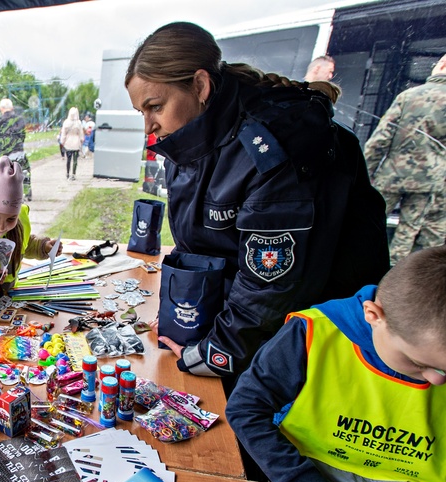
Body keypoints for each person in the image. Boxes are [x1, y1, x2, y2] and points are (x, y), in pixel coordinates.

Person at [126, 22, 389, 382]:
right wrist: (187, 309)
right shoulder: (197, 133)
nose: (148, 127)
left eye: (154, 107)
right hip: (246, 328)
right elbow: (207, 249)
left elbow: (270, 285)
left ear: (200, 85)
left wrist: (213, 352)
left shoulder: (272, 146)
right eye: (141, 112)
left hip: (306, 346)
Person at [227, 246, 446, 482]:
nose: (436, 380)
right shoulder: (312, 333)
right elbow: (246, 408)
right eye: (418, 362)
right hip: (303, 478)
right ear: (374, 316)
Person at [364, 53, 446, 266]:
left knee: (368, 223)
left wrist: (364, 173)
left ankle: (359, 266)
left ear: (442, 65)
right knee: (407, 232)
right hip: (429, 181)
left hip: (393, 175)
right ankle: (389, 278)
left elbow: (381, 139)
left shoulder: (408, 96)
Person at [0, 156, 59, 297]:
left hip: (8, 294)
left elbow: (23, 246)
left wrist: (43, 247)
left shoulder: (20, 221)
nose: (1, 226)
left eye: (11, 218)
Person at [0, 98, 32, 200]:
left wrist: (0, 149)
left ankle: (7, 194)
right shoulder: (19, 119)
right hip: (18, 152)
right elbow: (22, 135)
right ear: (12, 107)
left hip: (4, 154)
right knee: (25, 170)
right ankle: (27, 193)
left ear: (1, 108)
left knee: (4, 174)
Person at [60, 107, 85, 180]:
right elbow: (81, 133)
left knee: (68, 159)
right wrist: (81, 140)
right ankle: (73, 174)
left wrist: (62, 142)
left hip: (68, 142)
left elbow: (63, 134)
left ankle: (67, 173)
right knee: (75, 160)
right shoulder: (78, 122)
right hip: (76, 142)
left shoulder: (66, 122)